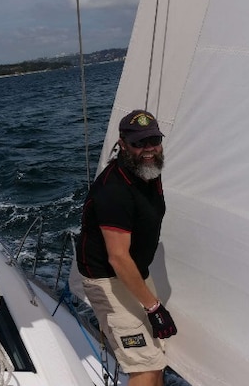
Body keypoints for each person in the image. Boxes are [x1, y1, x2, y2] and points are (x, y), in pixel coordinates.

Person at [75, 109, 177, 386]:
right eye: (138, 143)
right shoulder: (113, 191)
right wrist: (154, 308)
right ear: (122, 144)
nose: (148, 149)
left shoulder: (149, 172)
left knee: (154, 362)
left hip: (134, 275)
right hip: (107, 280)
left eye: (153, 139)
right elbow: (118, 257)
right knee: (144, 368)